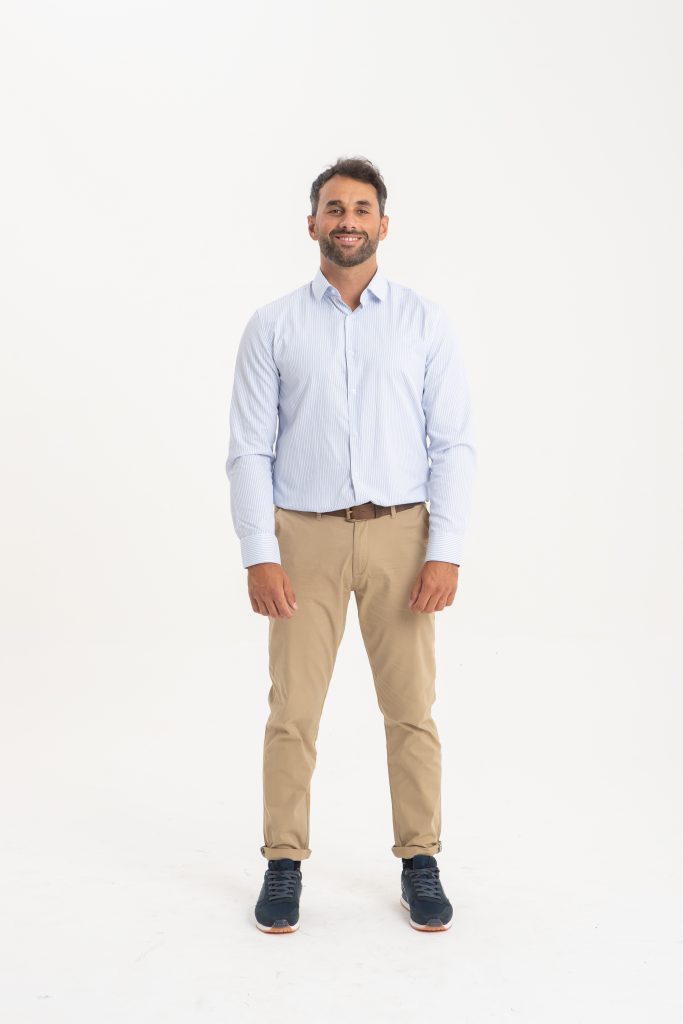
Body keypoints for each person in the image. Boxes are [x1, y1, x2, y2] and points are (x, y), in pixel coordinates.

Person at [225, 156, 477, 933]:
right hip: (303, 537)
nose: (347, 221)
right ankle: (283, 862)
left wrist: (444, 547)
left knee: (411, 709)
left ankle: (420, 859)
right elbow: (249, 448)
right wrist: (259, 551)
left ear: (383, 225)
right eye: (334, 208)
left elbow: (452, 444)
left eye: (361, 209)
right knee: (292, 711)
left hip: (402, 532)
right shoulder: (273, 326)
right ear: (312, 223)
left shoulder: (423, 322)